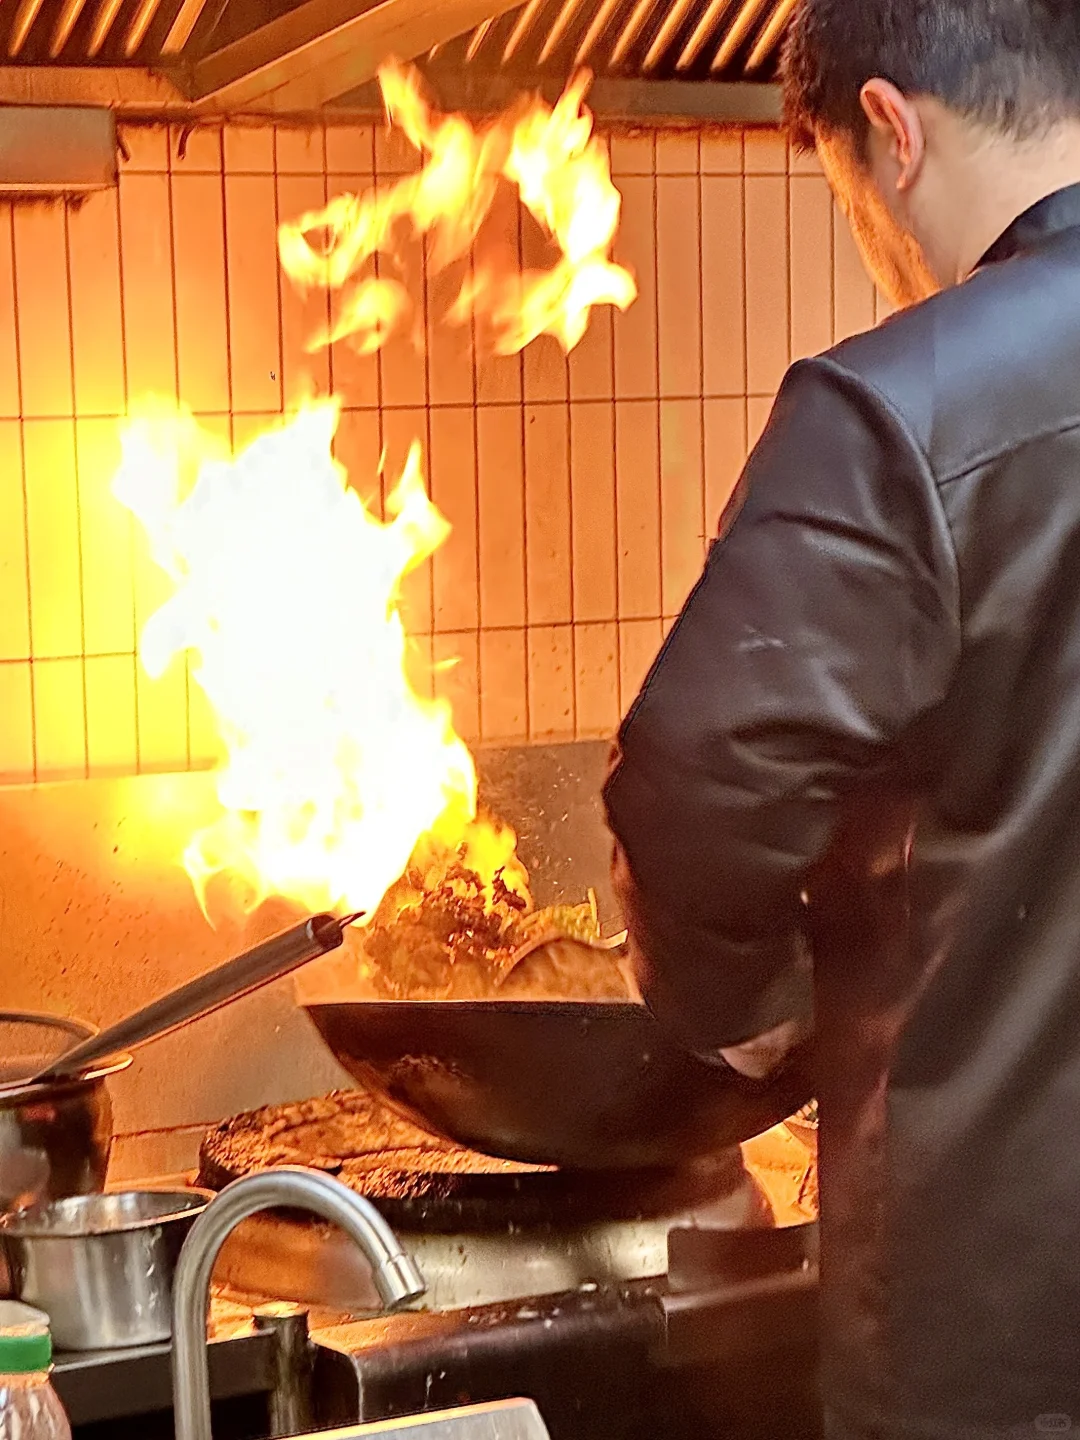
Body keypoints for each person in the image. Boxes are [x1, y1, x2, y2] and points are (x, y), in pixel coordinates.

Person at [602, 2, 1080, 1437]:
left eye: (850, 200)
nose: (882, 247)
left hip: (1005, 1332)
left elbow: (693, 786)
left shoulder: (903, 408)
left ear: (892, 130)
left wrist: (744, 1010)